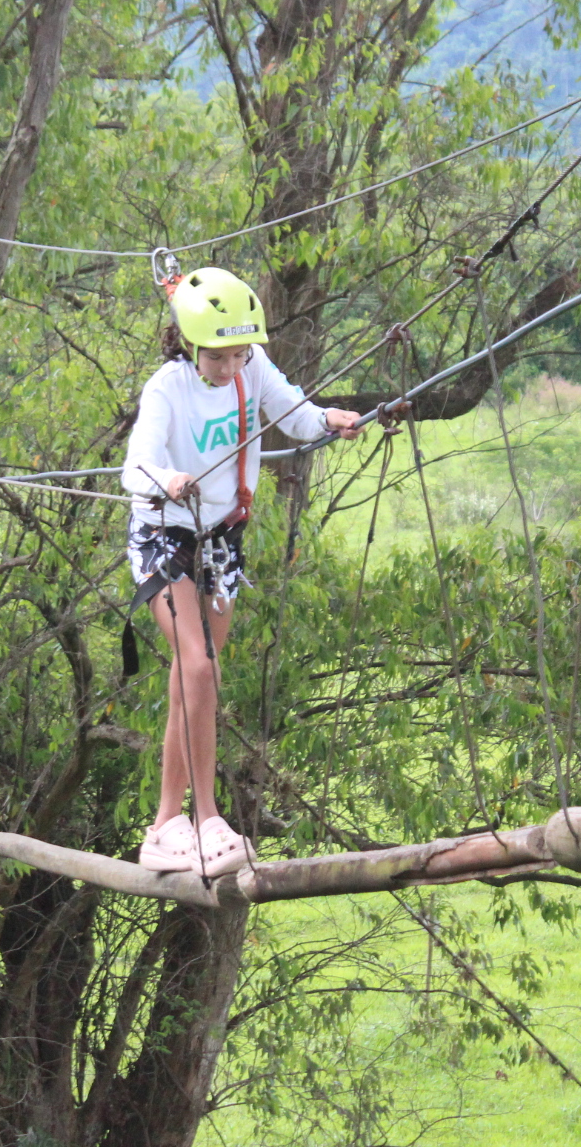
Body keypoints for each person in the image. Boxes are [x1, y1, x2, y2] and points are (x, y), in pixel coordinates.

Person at [122, 268, 361, 877]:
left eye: (238, 354)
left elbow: (292, 409)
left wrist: (327, 417)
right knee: (197, 665)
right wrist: (167, 479)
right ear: (190, 344)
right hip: (165, 537)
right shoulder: (166, 390)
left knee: (199, 675)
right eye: (220, 356)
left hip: (222, 540)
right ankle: (204, 820)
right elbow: (136, 467)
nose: (232, 366)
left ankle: (162, 826)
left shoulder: (251, 368)